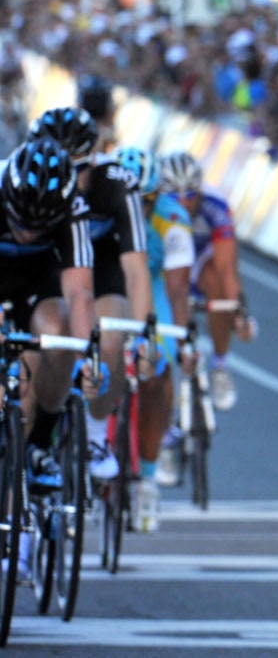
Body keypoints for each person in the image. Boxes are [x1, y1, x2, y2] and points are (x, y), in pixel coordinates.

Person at [28, 107, 152, 485]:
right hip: (52, 263)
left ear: (94, 158)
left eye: (80, 168)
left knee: (112, 338)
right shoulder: (30, 179)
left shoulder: (117, 182)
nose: (72, 179)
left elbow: (135, 268)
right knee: (54, 336)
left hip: (104, 264)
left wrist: (144, 337)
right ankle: (37, 439)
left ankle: (97, 435)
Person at [0, 137, 100, 582]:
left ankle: (39, 442)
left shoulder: (73, 208)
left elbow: (80, 293)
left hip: (38, 283)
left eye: (40, 226)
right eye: (22, 222)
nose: (28, 232)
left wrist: (87, 357)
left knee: (57, 335)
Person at [112, 146, 191, 532]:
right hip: (111, 283)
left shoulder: (173, 219)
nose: (137, 208)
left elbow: (177, 291)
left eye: (145, 201)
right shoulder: (96, 209)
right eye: (129, 199)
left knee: (159, 368)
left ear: (157, 197)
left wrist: (185, 339)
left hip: (154, 285)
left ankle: (146, 475)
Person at [158, 150, 257, 413]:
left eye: (189, 195)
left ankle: (220, 365)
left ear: (199, 191)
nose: (182, 203)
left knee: (216, 281)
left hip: (200, 262)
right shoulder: (151, 207)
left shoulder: (216, 206)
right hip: (166, 265)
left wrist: (238, 310)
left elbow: (227, 268)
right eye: (173, 196)